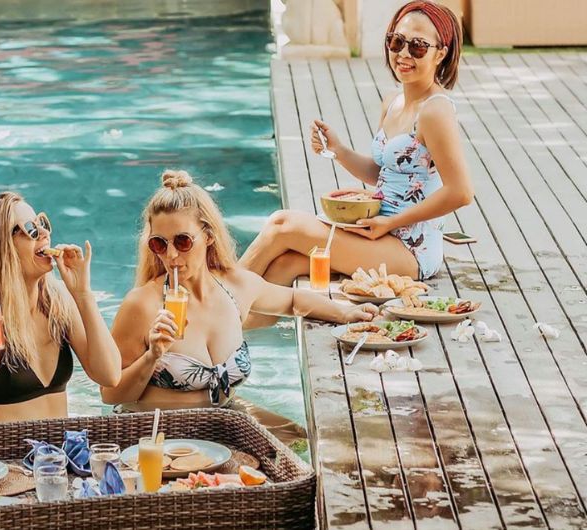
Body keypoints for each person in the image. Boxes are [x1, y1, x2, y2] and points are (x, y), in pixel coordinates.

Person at [239, 0, 473, 327]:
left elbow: (461, 192)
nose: (404, 54)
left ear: (440, 53)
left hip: (410, 250)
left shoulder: (435, 111)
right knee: (286, 264)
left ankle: (208, 306)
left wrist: (391, 223)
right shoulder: (393, 100)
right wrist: (339, 150)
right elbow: (382, 174)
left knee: (282, 225)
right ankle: (225, 338)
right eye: (397, 41)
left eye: (418, 46)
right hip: (379, 231)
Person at [101, 170, 378, 441]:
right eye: (160, 244)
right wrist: (152, 356)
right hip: (159, 433)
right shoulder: (141, 305)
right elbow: (111, 394)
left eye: (183, 241)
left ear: (208, 236)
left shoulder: (235, 287)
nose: (172, 254)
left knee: (302, 440)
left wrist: (346, 313)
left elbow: (294, 301)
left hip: (223, 419)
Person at [0, 192, 121, 424]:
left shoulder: (57, 300)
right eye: (31, 229)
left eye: (42, 223)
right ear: (1, 248)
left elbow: (110, 375)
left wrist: (83, 295)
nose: (45, 233)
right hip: (4, 458)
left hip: (58, 456)